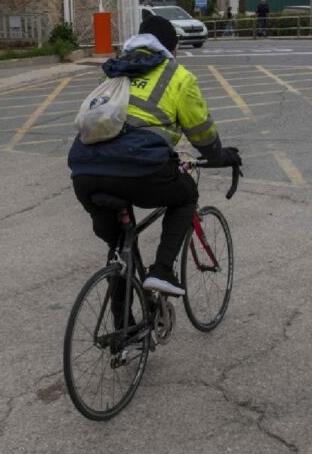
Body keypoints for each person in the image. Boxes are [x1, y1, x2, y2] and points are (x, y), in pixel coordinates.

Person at [69, 15, 242, 297]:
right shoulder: (178, 76)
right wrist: (221, 156)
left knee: (121, 249)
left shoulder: (114, 71)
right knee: (186, 194)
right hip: (140, 169)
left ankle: (122, 333)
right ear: (172, 49)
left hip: (85, 172)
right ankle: (162, 271)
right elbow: (201, 134)